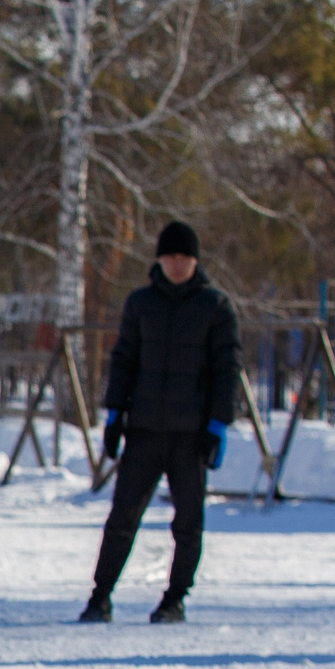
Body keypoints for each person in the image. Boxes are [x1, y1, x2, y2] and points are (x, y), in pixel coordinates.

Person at [80, 221, 241, 624]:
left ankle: (174, 599)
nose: (176, 264)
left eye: (184, 258)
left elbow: (227, 369)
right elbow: (124, 361)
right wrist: (114, 415)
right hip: (145, 430)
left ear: (195, 260)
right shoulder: (140, 303)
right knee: (121, 518)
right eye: (170, 257)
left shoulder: (215, 307)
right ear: (159, 259)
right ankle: (100, 596)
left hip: (190, 435)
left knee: (188, 522)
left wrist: (218, 425)